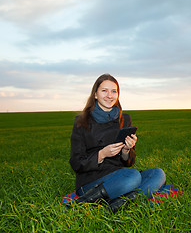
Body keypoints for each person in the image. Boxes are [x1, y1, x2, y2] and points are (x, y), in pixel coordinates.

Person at [69, 74, 166, 211]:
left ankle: (117, 204)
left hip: (120, 175)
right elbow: (76, 162)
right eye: (104, 91)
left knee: (158, 173)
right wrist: (102, 154)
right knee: (133, 176)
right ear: (95, 94)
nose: (110, 95)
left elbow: (128, 163)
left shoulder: (125, 119)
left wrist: (126, 150)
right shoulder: (82, 121)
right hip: (92, 180)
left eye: (114, 91)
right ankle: (83, 202)